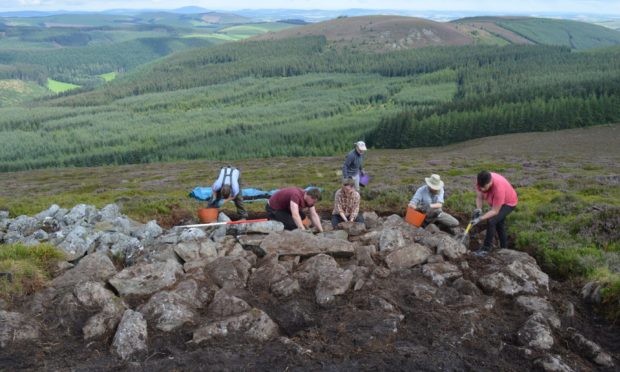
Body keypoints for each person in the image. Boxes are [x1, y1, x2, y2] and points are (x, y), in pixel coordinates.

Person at [472, 170, 518, 256]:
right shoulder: (480, 181)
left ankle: (486, 249)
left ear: (490, 182)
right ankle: (504, 248)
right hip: (497, 202)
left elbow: (495, 211)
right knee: (499, 224)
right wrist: (479, 209)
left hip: (509, 203)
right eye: (480, 187)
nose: (482, 189)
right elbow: (479, 197)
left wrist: (480, 218)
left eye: (484, 187)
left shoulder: (498, 189)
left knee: (492, 221)